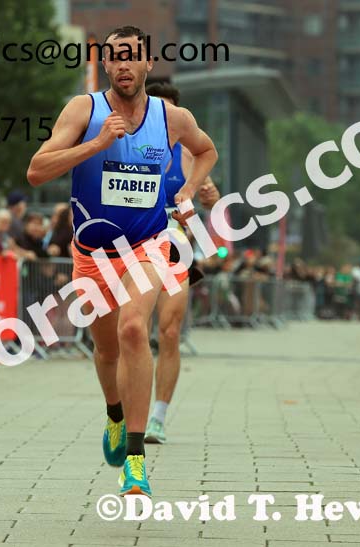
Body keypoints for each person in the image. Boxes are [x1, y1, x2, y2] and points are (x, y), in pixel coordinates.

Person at [26, 25, 217, 497]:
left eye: (133, 56)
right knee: (107, 349)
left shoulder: (171, 117)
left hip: (149, 245)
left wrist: (189, 190)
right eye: (115, 57)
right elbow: (36, 171)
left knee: (137, 330)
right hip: (93, 253)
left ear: (149, 64)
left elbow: (206, 150)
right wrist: (95, 145)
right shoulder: (83, 110)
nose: (124, 65)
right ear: (106, 65)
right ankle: (114, 413)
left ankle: (135, 460)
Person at [143, 82, 219, 445]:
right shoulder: (129, 146)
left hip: (174, 251)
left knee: (169, 332)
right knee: (132, 332)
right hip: (131, 249)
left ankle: (157, 417)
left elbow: (208, 197)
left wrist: (209, 196)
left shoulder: (190, 155)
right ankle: (128, 411)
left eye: (171, 112)